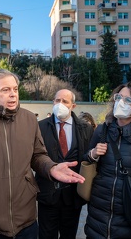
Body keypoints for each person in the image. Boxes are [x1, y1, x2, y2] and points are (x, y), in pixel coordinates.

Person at [0, 69, 85, 239]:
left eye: (15, 89)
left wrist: (51, 168)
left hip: (25, 218)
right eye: (5, 90)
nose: (12, 95)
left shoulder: (29, 119)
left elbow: (38, 156)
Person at [84, 81, 131, 238]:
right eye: (119, 97)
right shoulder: (101, 130)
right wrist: (93, 154)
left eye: (128, 100)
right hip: (99, 209)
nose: (120, 102)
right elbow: (86, 159)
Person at [36, 89, 93, 239]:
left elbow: (88, 158)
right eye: (57, 100)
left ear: (73, 106)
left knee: (69, 235)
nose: (60, 104)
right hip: (47, 196)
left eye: (65, 101)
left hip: (73, 197)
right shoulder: (39, 127)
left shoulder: (85, 129)